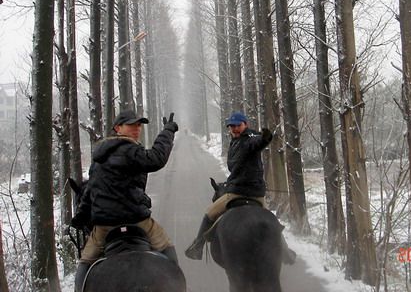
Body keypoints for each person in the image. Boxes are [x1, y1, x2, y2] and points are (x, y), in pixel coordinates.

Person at [71, 109, 180, 292]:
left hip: (103, 226)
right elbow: (157, 158)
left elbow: (90, 190)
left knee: (85, 263)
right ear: (117, 128)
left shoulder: (98, 158)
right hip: (136, 219)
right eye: (131, 125)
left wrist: (81, 217)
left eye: (138, 125)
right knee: (167, 248)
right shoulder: (130, 150)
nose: (136, 129)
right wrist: (168, 131)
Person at [184, 111, 296, 264]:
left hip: (239, 192)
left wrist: (265, 139)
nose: (235, 129)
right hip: (256, 193)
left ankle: (197, 246)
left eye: (238, 125)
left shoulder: (250, 138)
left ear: (245, 125)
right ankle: (285, 252)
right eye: (232, 126)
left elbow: (257, 143)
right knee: (270, 219)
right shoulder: (235, 140)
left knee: (209, 213)